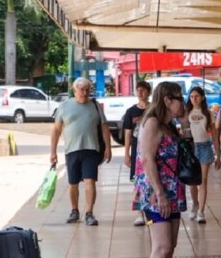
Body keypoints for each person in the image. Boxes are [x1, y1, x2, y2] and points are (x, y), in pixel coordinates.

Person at [134, 81, 188, 258]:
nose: (183, 102)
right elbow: (146, 160)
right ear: (167, 99)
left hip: (172, 191)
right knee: (162, 246)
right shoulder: (153, 123)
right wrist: (160, 194)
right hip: (157, 194)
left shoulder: (169, 125)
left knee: (171, 247)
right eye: (179, 98)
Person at [50, 77, 112, 226]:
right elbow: (56, 131)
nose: (84, 93)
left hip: (91, 149)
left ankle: (89, 213)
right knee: (73, 183)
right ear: (74, 89)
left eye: (87, 90)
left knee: (90, 181)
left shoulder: (95, 106)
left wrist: (108, 148)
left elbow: (104, 128)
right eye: (81, 89)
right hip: (71, 150)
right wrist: (53, 152)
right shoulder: (64, 106)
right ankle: (74, 210)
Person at [182, 87, 221, 224]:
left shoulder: (208, 113)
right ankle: (195, 203)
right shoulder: (186, 113)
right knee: (192, 181)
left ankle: (201, 211)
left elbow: (215, 136)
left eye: (197, 96)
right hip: (191, 147)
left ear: (203, 97)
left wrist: (218, 154)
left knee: (202, 180)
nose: (194, 99)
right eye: (192, 96)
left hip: (204, 146)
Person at [122, 80, 152, 226]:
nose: (140, 93)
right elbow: (127, 134)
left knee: (152, 180)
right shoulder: (131, 112)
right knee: (138, 183)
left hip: (152, 151)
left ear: (149, 92)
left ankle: (152, 211)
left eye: (143, 90)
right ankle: (139, 213)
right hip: (137, 152)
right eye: (138, 90)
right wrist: (127, 153)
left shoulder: (154, 109)